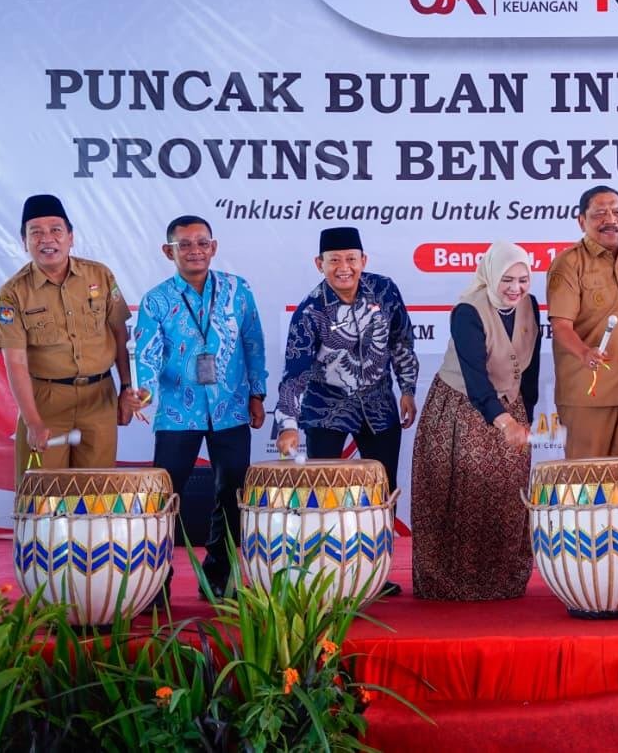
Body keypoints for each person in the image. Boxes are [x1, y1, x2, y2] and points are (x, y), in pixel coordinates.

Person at [275, 226, 419, 597]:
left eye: (351, 259)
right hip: (327, 405)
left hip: (379, 403)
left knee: (381, 490)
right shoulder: (310, 311)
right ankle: (327, 574)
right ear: (319, 264)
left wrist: (407, 389)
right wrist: (287, 424)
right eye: (334, 260)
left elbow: (402, 341)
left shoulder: (385, 291)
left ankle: (374, 572)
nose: (344, 267)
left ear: (363, 261)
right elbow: (296, 373)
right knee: (325, 494)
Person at [135, 215, 268, 599]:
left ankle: (220, 574)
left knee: (233, 492)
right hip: (179, 412)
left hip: (231, 408)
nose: (195, 250)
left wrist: (257, 393)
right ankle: (155, 581)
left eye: (202, 242)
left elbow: (253, 342)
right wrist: (143, 392)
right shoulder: (156, 299)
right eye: (185, 244)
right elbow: (146, 352)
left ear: (214, 246)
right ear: (168, 251)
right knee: (165, 497)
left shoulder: (237, 290)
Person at [411, 242, 541, 601]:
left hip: (510, 407)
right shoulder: (467, 311)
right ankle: (453, 584)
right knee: (464, 493)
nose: (515, 288)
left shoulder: (530, 306)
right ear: (490, 276)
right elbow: (475, 378)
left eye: (523, 279)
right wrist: (504, 422)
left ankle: (501, 581)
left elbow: (530, 368)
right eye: (507, 280)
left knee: (506, 496)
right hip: (462, 408)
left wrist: (527, 413)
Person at [0, 194, 143, 482]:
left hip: (100, 398)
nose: (47, 239)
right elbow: (16, 362)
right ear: (24, 242)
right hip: (46, 402)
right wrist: (33, 420)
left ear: (70, 237)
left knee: (96, 496)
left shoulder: (100, 275)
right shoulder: (13, 293)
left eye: (56, 230)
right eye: (36, 232)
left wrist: (126, 387)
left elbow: (120, 333)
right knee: (42, 499)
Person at [546, 186, 618, 459]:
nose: (611, 219)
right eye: (600, 214)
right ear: (582, 221)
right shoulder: (568, 264)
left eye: (617, 212)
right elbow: (560, 326)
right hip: (587, 398)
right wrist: (584, 352)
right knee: (586, 488)